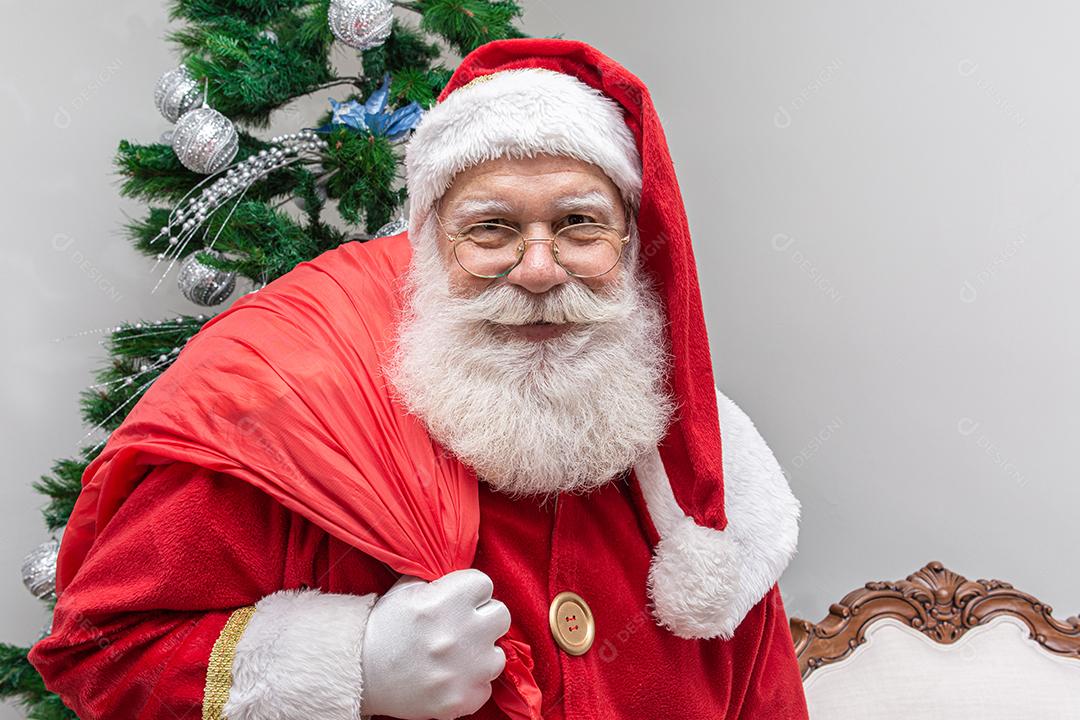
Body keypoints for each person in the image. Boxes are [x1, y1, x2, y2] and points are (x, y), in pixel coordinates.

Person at [28, 38, 808, 719]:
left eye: (579, 224)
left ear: (632, 248)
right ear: (429, 246)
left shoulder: (707, 491)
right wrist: (350, 665)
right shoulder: (300, 415)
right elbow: (103, 648)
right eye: (491, 228)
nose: (539, 269)